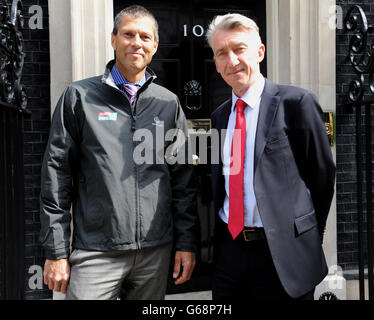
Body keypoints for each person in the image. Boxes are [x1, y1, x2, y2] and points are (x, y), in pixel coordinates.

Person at [39, 5, 198, 300]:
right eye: (128, 34)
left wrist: (186, 243)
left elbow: (182, 181)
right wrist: (56, 251)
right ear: (113, 39)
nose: (136, 42)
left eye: (145, 36)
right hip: (95, 250)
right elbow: (56, 177)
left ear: (155, 45)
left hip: (155, 251)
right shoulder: (79, 98)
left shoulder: (168, 103)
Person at [206, 13, 335, 300]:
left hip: (282, 254)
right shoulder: (220, 117)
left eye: (239, 49)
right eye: (221, 53)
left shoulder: (296, 103)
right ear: (216, 63)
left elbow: (322, 176)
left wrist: (310, 235)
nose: (232, 60)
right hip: (230, 253)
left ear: (260, 52)